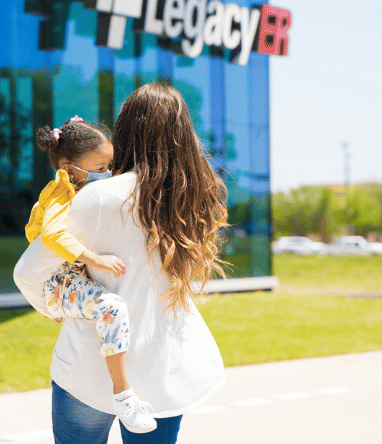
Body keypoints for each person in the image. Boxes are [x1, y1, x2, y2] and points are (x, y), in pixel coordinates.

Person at [14, 83, 229, 443]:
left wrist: (56, 306)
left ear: (126, 131)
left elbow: (27, 272)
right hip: (164, 373)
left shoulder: (98, 197)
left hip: (88, 373)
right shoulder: (194, 199)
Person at [24, 115, 157, 434]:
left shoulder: (78, 190)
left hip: (66, 279)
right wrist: (94, 259)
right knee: (113, 309)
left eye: (109, 168)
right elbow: (53, 236)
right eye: (99, 169)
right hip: (60, 279)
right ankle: (124, 395)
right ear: (69, 167)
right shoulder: (61, 188)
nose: (107, 175)